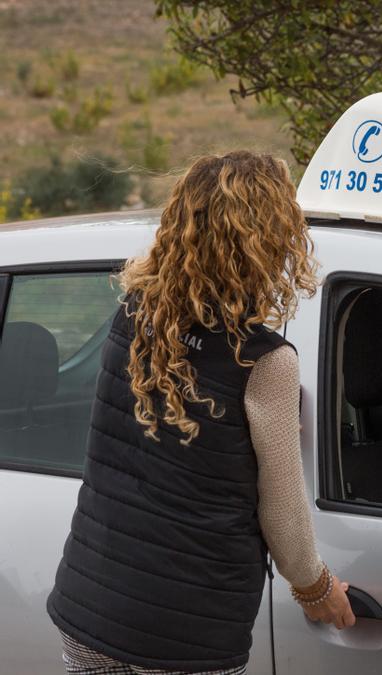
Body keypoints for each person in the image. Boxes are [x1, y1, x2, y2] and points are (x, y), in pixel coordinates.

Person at [45, 151, 355, 674]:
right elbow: (282, 513)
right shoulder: (266, 362)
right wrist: (317, 590)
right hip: (187, 635)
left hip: (89, 607)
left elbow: (156, 441)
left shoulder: (135, 316)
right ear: (269, 244)